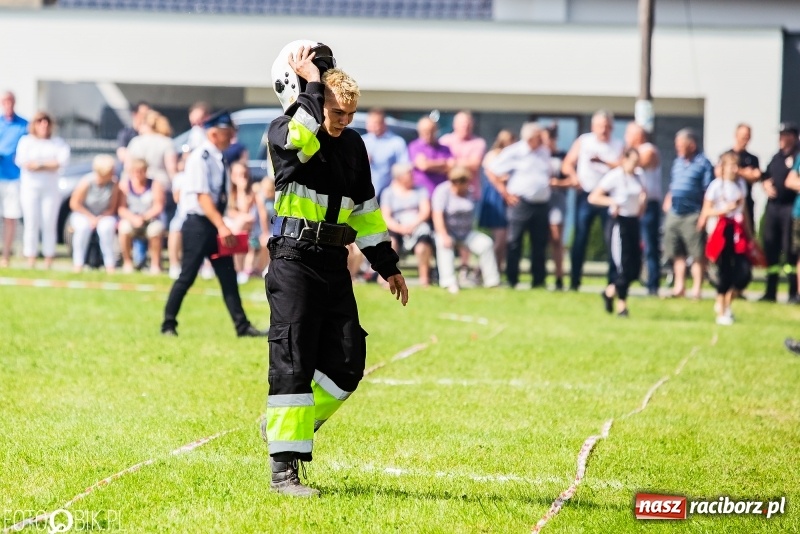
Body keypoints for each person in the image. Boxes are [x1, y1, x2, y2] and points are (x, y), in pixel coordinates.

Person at [262, 41, 408, 496]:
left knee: (348, 361)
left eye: (349, 115)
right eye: (336, 113)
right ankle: (284, 468)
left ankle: (282, 427)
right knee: (294, 358)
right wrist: (309, 87)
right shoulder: (285, 131)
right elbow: (299, 146)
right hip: (292, 260)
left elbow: (365, 209)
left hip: (332, 263)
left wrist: (387, 265)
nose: (344, 123)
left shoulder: (354, 144)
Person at [161, 111, 267, 337]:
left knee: (228, 277)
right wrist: (222, 226)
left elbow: (220, 198)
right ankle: (168, 324)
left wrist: (226, 222)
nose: (231, 138)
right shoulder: (201, 158)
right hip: (199, 226)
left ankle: (242, 326)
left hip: (214, 224)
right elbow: (202, 197)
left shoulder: (220, 158)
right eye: (227, 133)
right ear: (214, 133)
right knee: (187, 276)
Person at [562, 110, 624, 291]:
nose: (603, 130)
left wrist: (604, 161)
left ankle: (612, 283)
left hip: (608, 198)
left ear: (611, 127)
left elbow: (623, 166)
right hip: (586, 195)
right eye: (599, 126)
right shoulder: (584, 141)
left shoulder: (618, 145)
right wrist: (574, 177)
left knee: (611, 240)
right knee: (580, 238)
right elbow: (567, 164)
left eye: (606, 126)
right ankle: (574, 281)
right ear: (593, 127)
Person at [489, 122, 552, 289]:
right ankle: (512, 279)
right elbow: (492, 169)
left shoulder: (544, 152)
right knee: (515, 242)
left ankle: (538, 280)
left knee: (539, 243)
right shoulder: (515, 151)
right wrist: (505, 192)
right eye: (538, 137)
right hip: (520, 203)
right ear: (530, 138)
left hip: (541, 203)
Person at [589, 148, 646, 317]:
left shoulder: (638, 176)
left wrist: (642, 203)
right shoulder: (615, 176)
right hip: (619, 223)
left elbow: (642, 196)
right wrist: (612, 202)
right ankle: (622, 305)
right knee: (623, 265)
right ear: (624, 160)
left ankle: (609, 292)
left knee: (635, 266)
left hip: (633, 221)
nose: (635, 165)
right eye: (632, 162)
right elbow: (594, 197)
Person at [700, 152, 751, 325]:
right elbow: (707, 211)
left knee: (743, 272)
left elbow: (743, 211)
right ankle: (722, 311)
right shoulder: (716, 186)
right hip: (722, 232)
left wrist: (749, 233)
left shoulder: (741, 185)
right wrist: (725, 209)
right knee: (724, 272)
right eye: (731, 165)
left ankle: (727, 303)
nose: (735, 169)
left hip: (737, 232)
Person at [15, 111, 70, 269]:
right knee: (31, 222)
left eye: (46, 121)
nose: (43, 125)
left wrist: (39, 165)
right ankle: (30, 257)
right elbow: (24, 163)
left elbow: (61, 162)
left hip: (50, 189)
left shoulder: (57, 142)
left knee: (49, 223)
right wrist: (47, 164)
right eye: (40, 121)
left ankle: (48, 257)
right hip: (30, 189)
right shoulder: (26, 141)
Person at [663, 128, 714, 299]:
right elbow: (674, 184)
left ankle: (697, 289)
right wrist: (669, 199)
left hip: (693, 213)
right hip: (675, 212)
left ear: (691, 145)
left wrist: (704, 215)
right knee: (677, 253)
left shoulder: (704, 163)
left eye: (681, 145)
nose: (677, 148)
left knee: (696, 254)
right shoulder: (678, 162)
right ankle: (679, 287)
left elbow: (709, 191)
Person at [432, 166, 500, 293]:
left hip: (466, 233)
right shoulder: (442, 191)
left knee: (486, 244)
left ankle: (492, 282)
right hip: (448, 232)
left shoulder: (470, 191)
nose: (459, 184)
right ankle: (449, 282)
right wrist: (444, 235)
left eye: (463, 181)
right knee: (444, 245)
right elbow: (437, 216)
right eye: (456, 181)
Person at [760, 122, 800, 302]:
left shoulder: (797, 156)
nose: (781, 138)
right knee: (771, 248)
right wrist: (765, 184)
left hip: (789, 208)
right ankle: (770, 291)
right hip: (773, 208)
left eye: (785, 135)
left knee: (790, 250)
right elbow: (766, 175)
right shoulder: (776, 157)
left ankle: (793, 292)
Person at [380, 162, 434, 286]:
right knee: (390, 243)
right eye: (409, 174)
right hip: (396, 226)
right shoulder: (388, 193)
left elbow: (425, 211)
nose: (413, 176)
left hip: (417, 225)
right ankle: (389, 278)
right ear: (399, 177)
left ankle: (424, 279)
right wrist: (400, 228)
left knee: (422, 247)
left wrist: (412, 225)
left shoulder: (420, 190)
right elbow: (386, 216)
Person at [625, 122, 662, 296]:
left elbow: (637, 163)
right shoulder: (630, 153)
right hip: (633, 206)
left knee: (650, 246)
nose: (626, 137)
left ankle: (652, 285)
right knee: (631, 245)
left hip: (649, 206)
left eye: (628, 134)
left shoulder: (648, 150)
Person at [68, 154, 120, 273]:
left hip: (105, 215)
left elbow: (112, 207)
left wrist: (100, 218)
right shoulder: (86, 182)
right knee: (82, 228)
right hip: (83, 213)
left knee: (106, 229)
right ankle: (78, 263)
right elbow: (74, 204)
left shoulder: (114, 184)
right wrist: (91, 217)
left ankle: (110, 264)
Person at [117, 158, 166, 274]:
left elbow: (158, 206)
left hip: (149, 219)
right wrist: (133, 218)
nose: (138, 174)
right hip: (131, 219)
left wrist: (144, 218)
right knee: (123, 228)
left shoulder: (154, 184)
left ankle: (155, 264)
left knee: (156, 230)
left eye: (141, 171)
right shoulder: (125, 185)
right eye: (135, 171)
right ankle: (127, 262)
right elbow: (121, 208)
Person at [479, 129, 515, 272]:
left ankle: (497, 270)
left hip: (507, 195)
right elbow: (492, 174)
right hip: (496, 197)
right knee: (500, 239)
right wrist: (504, 189)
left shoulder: (512, 156)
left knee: (504, 240)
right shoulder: (492, 155)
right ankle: (481, 270)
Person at [0, 91, 28, 267]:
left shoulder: (24, 125)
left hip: (14, 178)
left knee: (10, 218)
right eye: (5, 102)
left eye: (10, 101)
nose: (8, 105)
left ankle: (6, 256)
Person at [542, 124, 569, 290]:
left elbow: (572, 180)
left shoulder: (562, 156)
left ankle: (559, 277)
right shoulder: (537, 155)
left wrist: (557, 183)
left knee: (556, 239)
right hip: (539, 201)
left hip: (557, 199)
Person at [361, 108, 409, 198]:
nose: (372, 126)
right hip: (364, 193)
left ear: (383, 123)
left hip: (388, 194)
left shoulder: (397, 142)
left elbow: (404, 167)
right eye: (370, 123)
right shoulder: (362, 141)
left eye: (375, 123)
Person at [126, 110, 177, 192]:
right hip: (163, 186)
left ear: (145, 124)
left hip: (139, 188)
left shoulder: (135, 142)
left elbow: (128, 167)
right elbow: (172, 169)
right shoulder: (167, 142)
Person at [723, 124, 761, 233]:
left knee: (746, 235)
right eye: (743, 135)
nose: (746, 139)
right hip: (728, 204)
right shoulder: (726, 154)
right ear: (736, 135)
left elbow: (756, 176)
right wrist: (745, 172)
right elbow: (719, 174)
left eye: (748, 136)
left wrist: (737, 171)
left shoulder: (752, 158)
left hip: (746, 203)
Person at [439, 110, 486, 197]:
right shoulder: (444, 140)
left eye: (468, 124)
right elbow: (440, 163)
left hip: (470, 193)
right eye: (462, 124)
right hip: (448, 193)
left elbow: (474, 164)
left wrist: (452, 163)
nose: (465, 126)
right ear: (454, 124)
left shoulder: (478, 142)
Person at [408, 116, 454, 197]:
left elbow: (451, 166)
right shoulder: (414, 146)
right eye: (425, 131)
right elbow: (424, 166)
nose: (428, 134)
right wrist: (443, 163)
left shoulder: (444, 148)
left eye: (431, 131)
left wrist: (430, 164)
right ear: (419, 131)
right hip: (421, 196)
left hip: (442, 195)